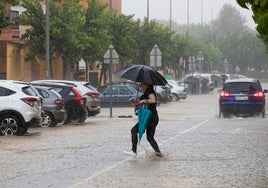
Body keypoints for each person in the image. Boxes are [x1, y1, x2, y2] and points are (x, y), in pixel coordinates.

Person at [124, 82, 162, 157]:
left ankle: (134, 151)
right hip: (152, 118)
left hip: (149, 118)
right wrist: (137, 100)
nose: (140, 85)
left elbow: (153, 100)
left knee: (134, 130)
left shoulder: (149, 91)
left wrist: (143, 101)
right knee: (150, 138)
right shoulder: (146, 92)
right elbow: (139, 102)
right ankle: (159, 154)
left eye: (142, 84)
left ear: (146, 84)